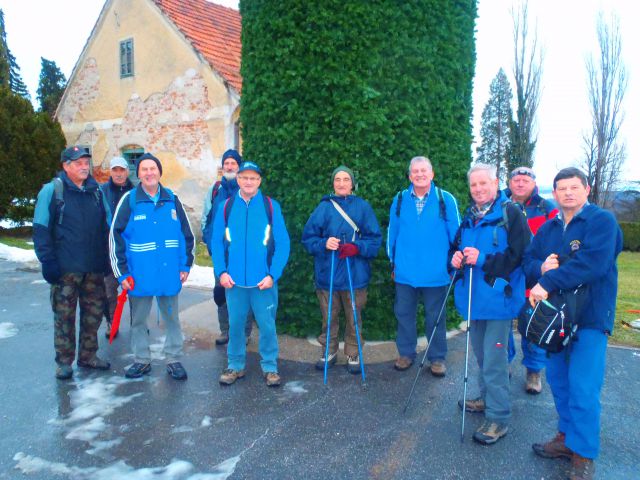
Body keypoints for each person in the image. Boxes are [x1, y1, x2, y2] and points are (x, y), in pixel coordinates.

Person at [524, 167, 622, 480]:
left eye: (574, 187)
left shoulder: (601, 221)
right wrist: (540, 266)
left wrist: (549, 278)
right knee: (560, 382)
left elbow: (593, 264)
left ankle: (584, 454)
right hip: (555, 319)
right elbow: (528, 263)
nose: (567, 193)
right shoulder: (549, 228)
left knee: (583, 387)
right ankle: (566, 438)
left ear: (587, 189)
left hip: (590, 319)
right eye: (561, 188)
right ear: (554, 193)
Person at [451, 163, 530, 445]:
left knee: (495, 360)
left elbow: (519, 256)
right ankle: (486, 400)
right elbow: (456, 248)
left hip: (499, 300)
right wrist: (456, 259)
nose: (479, 189)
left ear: (496, 184)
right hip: (475, 299)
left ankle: (498, 418)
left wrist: (482, 258)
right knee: (483, 357)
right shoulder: (469, 216)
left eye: (484, 183)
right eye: (474, 185)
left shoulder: (511, 214)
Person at [109, 153, 194, 380]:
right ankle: (142, 360)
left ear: (159, 172)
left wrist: (185, 265)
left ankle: (174, 358)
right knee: (138, 320)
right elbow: (115, 237)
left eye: (153, 169)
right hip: (140, 274)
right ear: (139, 174)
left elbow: (187, 235)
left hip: (168, 273)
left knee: (172, 319)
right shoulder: (130, 200)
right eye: (144, 169)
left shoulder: (172, 199)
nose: (149, 173)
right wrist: (122, 273)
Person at [33, 146, 111, 380]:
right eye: (78, 162)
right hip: (65, 269)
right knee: (64, 317)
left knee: (93, 315)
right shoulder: (52, 191)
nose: (84, 166)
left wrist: (108, 258)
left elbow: (107, 226)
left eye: (86, 161)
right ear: (66, 166)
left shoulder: (96, 190)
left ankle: (88, 355)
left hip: (93, 268)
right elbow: (41, 228)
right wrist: (47, 261)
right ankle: (64, 362)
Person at [212, 161, 290, 387]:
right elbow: (216, 242)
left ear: (259, 181)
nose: (248, 182)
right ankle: (235, 365)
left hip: (263, 282)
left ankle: (270, 367)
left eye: (253, 178)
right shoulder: (226, 207)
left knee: (267, 326)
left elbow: (283, 243)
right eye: (244, 177)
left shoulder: (270, 206)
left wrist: (273, 275)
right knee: (235, 325)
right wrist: (221, 272)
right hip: (234, 282)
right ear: (238, 180)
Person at [302, 166, 382, 373]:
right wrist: (323, 244)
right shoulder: (324, 208)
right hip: (327, 273)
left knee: (354, 318)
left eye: (346, 179)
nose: (341, 183)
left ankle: (353, 352)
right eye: (337, 179)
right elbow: (308, 238)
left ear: (352, 183)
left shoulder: (363, 207)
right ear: (333, 183)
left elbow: (375, 240)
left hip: (355, 275)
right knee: (329, 316)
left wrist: (357, 247)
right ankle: (329, 350)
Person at [387, 156, 460, 376]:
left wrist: (453, 265)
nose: (419, 175)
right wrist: (393, 262)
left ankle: (437, 358)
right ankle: (406, 353)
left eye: (423, 171)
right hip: (405, 272)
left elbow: (456, 235)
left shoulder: (444, 199)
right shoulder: (399, 199)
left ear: (432, 174)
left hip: (436, 273)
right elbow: (392, 233)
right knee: (404, 314)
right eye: (415, 171)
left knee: (435, 318)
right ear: (410, 175)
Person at [504, 166, 559, 394]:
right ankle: (503, 365)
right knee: (501, 327)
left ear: (534, 184)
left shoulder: (547, 208)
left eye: (525, 180)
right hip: (506, 277)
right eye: (516, 180)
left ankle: (533, 371)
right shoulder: (500, 205)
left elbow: (559, 240)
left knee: (533, 327)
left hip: (535, 279)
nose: (520, 183)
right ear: (509, 184)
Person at [201, 149, 253, 345]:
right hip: (220, 255)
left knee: (243, 292)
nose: (230, 167)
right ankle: (225, 330)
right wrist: (210, 242)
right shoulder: (215, 191)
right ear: (223, 167)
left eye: (233, 163)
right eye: (227, 163)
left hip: (242, 255)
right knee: (221, 293)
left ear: (239, 167)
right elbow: (206, 219)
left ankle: (245, 333)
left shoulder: (246, 191)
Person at [100, 156, 134, 339]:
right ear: (110, 172)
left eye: (122, 170)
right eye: (115, 170)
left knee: (135, 290)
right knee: (109, 291)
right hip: (110, 250)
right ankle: (111, 321)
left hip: (131, 250)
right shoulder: (102, 191)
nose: (119, 174)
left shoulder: (135, 192)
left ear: (127, 171)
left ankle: (137, 323)